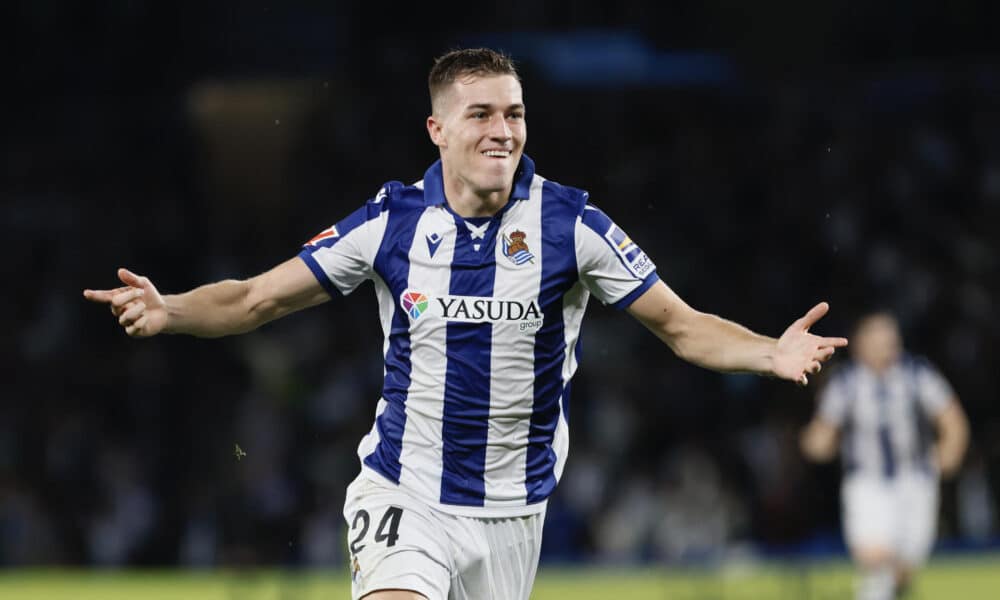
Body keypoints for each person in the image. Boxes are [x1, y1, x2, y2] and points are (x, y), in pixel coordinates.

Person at [84, 48, 848, 600]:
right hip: (404, 491)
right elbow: (255, 299)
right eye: (479, 114)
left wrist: (766, 352)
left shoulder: (570, 224)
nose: (501, 131)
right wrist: (172, 309)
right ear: (437, 130)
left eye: (513, 114)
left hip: (515, 514)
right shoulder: (391, 223)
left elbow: (680, 326)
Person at [801, 311, 968, 600]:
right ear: (861, 344)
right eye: (878, 338)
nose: (888, 345)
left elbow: (952, 418)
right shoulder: (846, 382)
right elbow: (822, 432)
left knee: (904, 567)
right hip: (867, 483)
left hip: (915, 480)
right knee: (874, 556)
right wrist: (814, 443)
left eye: (890, 337)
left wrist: (947, 455)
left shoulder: (917, 374)